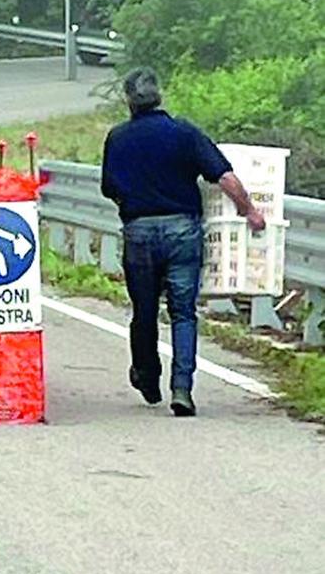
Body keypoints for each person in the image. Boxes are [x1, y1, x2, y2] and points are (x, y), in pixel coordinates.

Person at [101, 68, 266, 417]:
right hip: (183, 232)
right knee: (183, 312)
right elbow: (225, 176)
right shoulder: (184, 133)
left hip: (140, 230)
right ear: (159, 96)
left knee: (143, 310)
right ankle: (182, 388)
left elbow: (110, 188)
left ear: (130, 100)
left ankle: (147, 376)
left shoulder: (118, 138)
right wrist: (249, 210)